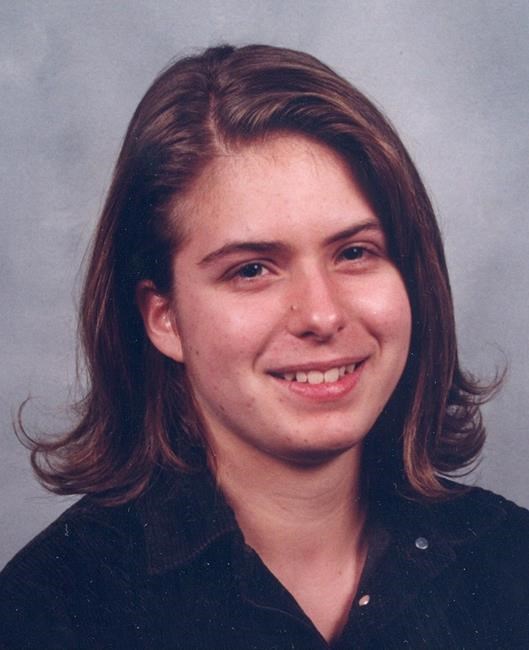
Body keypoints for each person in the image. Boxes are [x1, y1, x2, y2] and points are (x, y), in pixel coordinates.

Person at [1, 44, 528, 649]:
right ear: (164, 317)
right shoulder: (49, 612)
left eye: (354, 252)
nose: (322, 315)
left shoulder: (512, 562)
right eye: (252, 269)